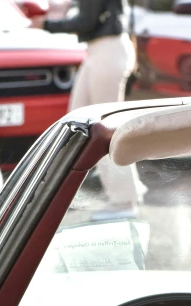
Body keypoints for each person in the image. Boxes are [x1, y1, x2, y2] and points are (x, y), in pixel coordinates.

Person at [32, 0, 142, 218]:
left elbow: (86, 21)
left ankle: (124, 200)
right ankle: (64, 194)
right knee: (77, 121)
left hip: (108, 51)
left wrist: (45, 25)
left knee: (105, 129)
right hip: (99, 52)